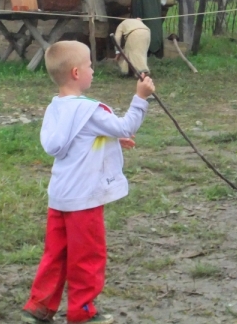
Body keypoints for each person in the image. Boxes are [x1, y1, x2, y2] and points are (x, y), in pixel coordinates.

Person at [22, 40, 155, 324]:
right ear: (75, 73)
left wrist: (110, 137)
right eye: (90, 65)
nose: (93, 70)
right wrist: (140, 98)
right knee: (88, 256)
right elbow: (125, 125)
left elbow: (77, 136)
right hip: (84, 201)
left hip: (59, 198)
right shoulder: (89, 110)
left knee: (55, 254)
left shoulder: (57, 108)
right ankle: (83, 313)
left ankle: (39, 306)